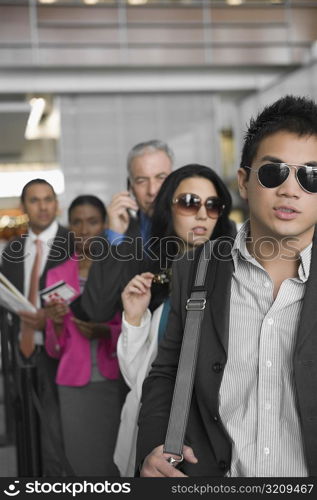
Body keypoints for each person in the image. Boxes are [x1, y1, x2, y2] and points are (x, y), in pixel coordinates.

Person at [136, 95, 317, 477]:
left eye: (311, 176)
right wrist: (151, 447)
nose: (290, 189)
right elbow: (168, 371)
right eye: (274, 173)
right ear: (244, 181)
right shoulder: (196, 269)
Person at [114, 164, 236, 476]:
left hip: (207, 441)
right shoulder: (155, 273)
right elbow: (139, 377)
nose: (202, 214)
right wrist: (134, 318)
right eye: (189, 202)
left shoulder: (234, 275)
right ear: (168, 208)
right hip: (152, 429)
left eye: (213, 205)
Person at [44, 195, 127, 476]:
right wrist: (55, 325)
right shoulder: (56, 275)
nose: (84, 230)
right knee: (81, 465)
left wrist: (107, 331)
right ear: (69, 228)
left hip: (114, 380)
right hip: (73, 385)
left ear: (105, 225)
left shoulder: (118, 268)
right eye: (77, 222)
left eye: (92, 221)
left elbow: (134, 327)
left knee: (116, 463)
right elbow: (54, 350)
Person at [1, 178, 74, 476]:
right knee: (24, 426)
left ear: (56, 204)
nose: (43, 206)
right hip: (20, 350)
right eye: (35, 200)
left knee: (56, 431)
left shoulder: (73, 242)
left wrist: (52, 315)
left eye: (48, 199)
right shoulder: (12, 249)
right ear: (24, 206)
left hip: (59, 350)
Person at [81, 140, 174, 323]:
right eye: (141, 180)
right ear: (130, 188)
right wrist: (115, 238)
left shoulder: (196, 227)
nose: (152, 190)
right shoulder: (115, 237)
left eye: (161, 177)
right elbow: (97, 311)